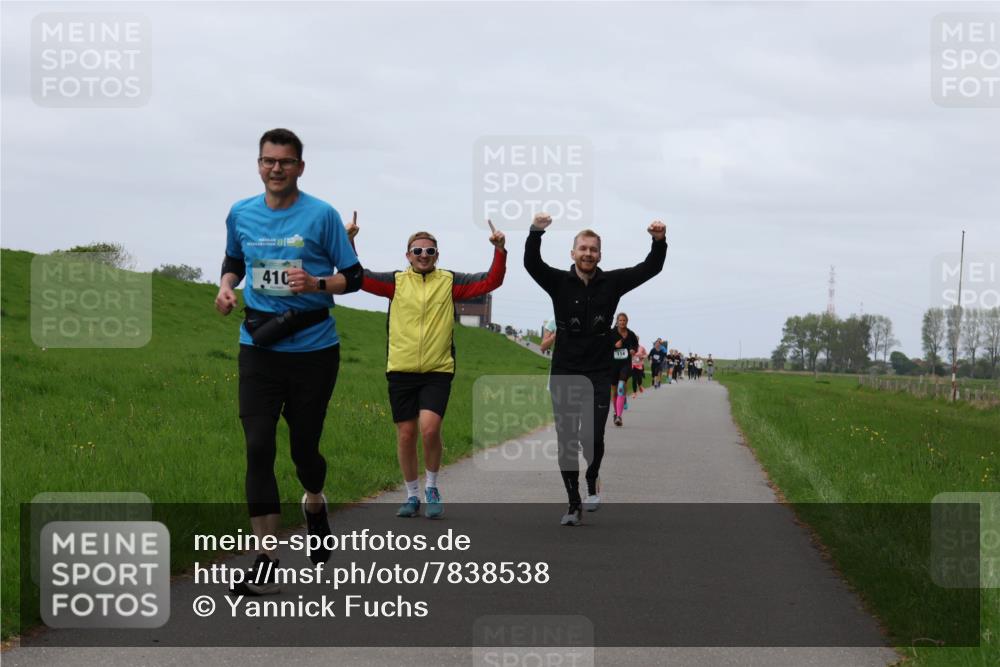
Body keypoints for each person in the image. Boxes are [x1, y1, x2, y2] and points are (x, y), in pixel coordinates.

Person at [216, 128, 363, 595]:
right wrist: (226, 286)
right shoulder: (241, 212)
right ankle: (266, 559)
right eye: (268, 160)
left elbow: (354, 277)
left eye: (284, 161)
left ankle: (315, 501)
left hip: (313, 351)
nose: (275, 168)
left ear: (300, 167)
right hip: (259, 346)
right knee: (258, 446)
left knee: (305, 452)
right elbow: (234, 260)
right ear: (259, 164)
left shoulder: (322, 215)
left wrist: (316, 284)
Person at [348, 219, 506, 519]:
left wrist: (499, 250)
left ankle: (431, 487)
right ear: (408, 255)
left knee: (430, 429)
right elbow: (358, 277)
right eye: (417, 251)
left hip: (437, 370)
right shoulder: (395, 282)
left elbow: (490, 282)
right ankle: (411, 495)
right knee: (406, 435)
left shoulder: (449, 282)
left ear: (437, 255)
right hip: (401, 369)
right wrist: (350, 241)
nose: (424, 255)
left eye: (430, 251)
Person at [524, 212, 667, 526]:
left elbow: (650, 268)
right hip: (565, 370)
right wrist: (536, 232)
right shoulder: (558, 282)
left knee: (592, 437)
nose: (588, 253)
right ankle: (573, 503)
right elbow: (532, 264)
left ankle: (592, 478)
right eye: (583, 248)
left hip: (599, 372)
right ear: (572, 253)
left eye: (593, 249)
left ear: (600, 255)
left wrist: (658, 241)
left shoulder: (611, 283)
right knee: (566, 440)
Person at [610, 314, 639, 427]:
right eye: (620, 320)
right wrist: (614, 346)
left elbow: (635, 345)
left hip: (625, 364)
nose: (622, 322)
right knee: (614, 391)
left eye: (624, 320)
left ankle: (619, 416)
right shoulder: (611, 333)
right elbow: (604, 347)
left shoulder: (631, 334)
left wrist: (633, 350)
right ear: (617, 321)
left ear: (627, 321)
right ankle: (615, 411)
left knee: (621, 387)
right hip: (613, 365)